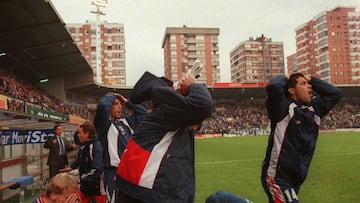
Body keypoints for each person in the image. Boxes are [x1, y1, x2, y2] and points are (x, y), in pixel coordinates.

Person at [115, 71, 214, 203]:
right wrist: (193, 85)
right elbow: (204, 105)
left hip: (141, 191)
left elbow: (197, 116)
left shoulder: (168, 116)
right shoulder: (168, 112)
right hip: (148, 194)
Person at [261, 73, 343, 203]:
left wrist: (313, 80)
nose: (309, 87)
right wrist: (287, 77)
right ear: (291, 90)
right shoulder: (283, 108)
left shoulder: (314, 109)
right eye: (303, 84)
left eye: (309, 84)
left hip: (296, 179)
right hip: (277, 177)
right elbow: (273, 86)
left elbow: (336, 93)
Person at [93, 92, 147, 202]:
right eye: (115, 104)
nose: (120, 107)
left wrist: (127, 101)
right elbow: (102, 106)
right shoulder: (104, 125)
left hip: (130, 173)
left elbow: (143, 114)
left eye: (120, 104)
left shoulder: (126, 122)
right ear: (109, 107)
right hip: (114, 173)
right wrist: (112, 95)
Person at [61, 122, 106, 203]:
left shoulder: (96, 147)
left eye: (80, 133)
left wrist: (82, 178)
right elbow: (80, 159)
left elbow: (97, 169)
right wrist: (71, 167)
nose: (78, 135)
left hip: (97, 189)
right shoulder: (84, 146)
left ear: (87, 134)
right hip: (85, 187)